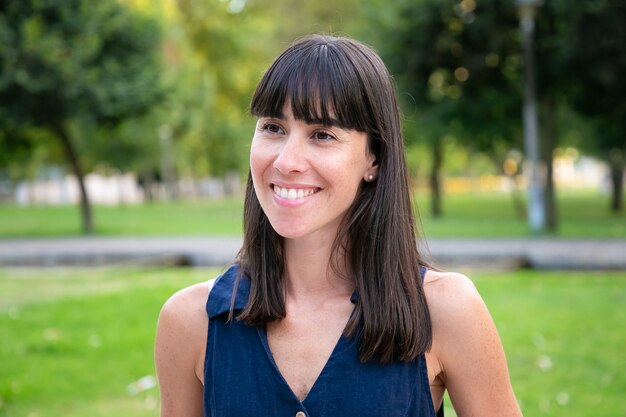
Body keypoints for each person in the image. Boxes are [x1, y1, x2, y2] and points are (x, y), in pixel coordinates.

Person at [155, 34, 523, 417]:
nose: (286, 161)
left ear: (374, 160)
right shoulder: (189, 321)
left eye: (322, 135)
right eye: (273, 127)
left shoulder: (446, 310)